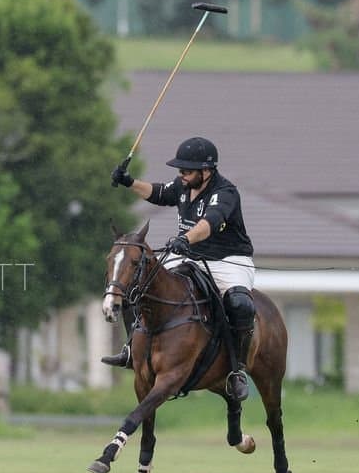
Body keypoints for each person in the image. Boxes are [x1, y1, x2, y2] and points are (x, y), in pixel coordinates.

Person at [106, 136, 256, 400]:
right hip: (190, 255)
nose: (182, 175)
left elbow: (209, 223)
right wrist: (129, 181)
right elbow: (159, 193)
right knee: (139, 283)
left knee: (240, 304)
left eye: (187, 170)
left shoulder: (225, 193)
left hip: (228, 260)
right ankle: (132, 348)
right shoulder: (183, 186)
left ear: (206, 171)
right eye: (180, 170)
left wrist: (185, 239)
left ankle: (236, 370)